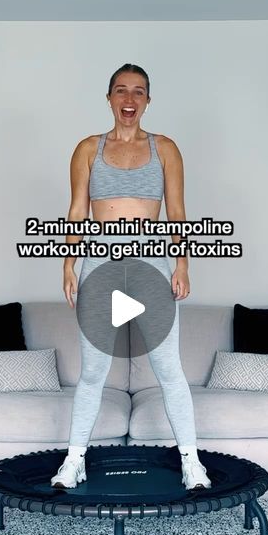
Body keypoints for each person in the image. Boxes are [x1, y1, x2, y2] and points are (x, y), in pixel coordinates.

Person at [51, 63, 211, 491]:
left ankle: (192, 463)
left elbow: (176, 211)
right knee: (93, 372)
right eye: (121, 91)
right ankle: (74, 460)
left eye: (138, 92)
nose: (129, 99)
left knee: (168, 369)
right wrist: (68, 263)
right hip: (99, 262)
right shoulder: (88, 148)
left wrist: (183, 262)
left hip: (150, 264)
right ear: (109, 98)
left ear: (147, 101)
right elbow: (76, 210)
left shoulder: (166, 149)